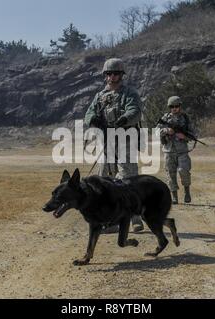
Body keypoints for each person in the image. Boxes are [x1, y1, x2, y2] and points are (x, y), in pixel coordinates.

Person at [84, 58, 144, 233]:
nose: (112, 76)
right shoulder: (100, 96)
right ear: (105, 76)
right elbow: (90, 112)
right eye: (109, 73)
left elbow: (135, 111)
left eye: (116, 73)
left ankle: (135, 217)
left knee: (127, 178)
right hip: (107, 142)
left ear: (121, 75)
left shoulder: (129, 93)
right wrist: (93, 119)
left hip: (125, 140)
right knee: (103, 181)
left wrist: (124, 119)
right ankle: (110, 221)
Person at [157, 96, 195, 204]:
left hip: (182, 150)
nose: (174, 108)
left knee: (184, 171)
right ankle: (174, 196)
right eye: (172, 106)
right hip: (168, 151)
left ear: (180, 106)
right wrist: (165, 130)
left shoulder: (185, 118)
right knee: (170, 174)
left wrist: (184, 137)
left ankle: (187, 192)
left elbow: (193, 135)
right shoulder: (165, 118)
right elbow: (157, 131)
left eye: (176, 106)